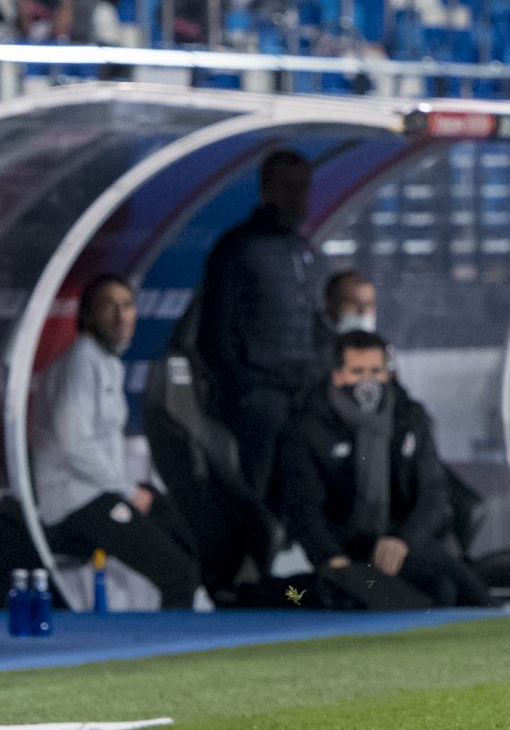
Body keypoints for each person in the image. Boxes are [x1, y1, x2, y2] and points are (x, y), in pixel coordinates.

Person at [277, 331, 490, 606]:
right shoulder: (308, 426)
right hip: (345, 552)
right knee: (352, 596)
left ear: (387, 374)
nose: (368, 381)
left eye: (375, 371)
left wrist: (403, 541)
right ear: (338, 375)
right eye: (357, 371)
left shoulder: (410, 418)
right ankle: (264, 594)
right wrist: (330, 557)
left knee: (447, 589)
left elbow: (433, 493)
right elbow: (302, 504)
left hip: (405, 545)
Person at [29, 275, 203, 609]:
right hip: (76, 501)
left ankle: (225, 603)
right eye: (109, 307)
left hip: (102, 491)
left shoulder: (105, 360)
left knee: (184, 537)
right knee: (177, 573)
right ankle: (170, 641)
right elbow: (75, 443)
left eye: (127, 305)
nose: (121, 316)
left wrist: (131, 490)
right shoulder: (81, 360)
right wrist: (127, 490)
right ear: (88, 315)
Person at [196, 150, 332, 503]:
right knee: (253, 493)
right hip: (260, 400)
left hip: (304, 395)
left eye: (303, 188)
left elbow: (319, 324)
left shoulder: (306, 252)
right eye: (288, 187)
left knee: (303, 490)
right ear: (265, 190)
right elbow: (214, 331)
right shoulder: (237, 248)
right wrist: (245, 389)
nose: (297, 198)